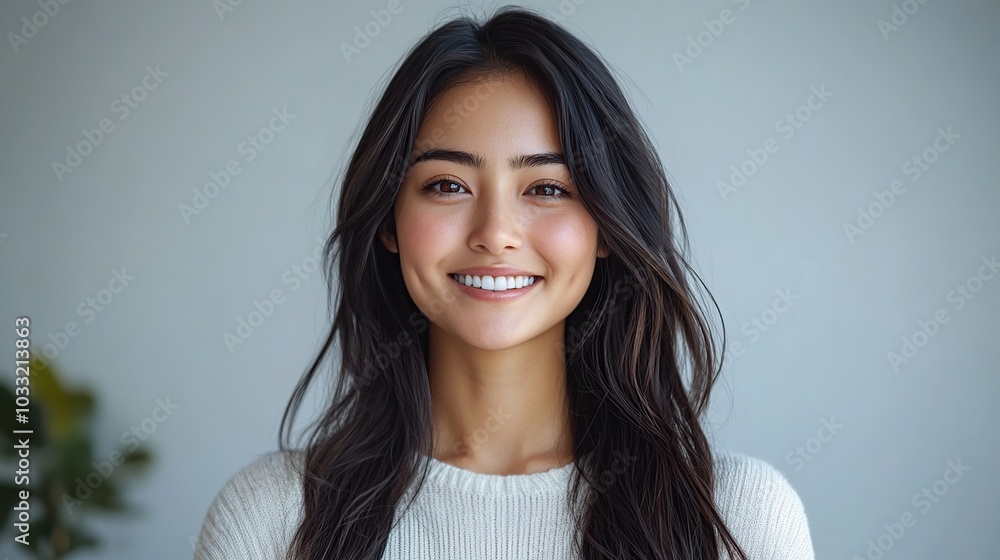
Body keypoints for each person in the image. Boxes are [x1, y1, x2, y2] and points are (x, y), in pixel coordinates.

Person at [195, 5, 815, 559]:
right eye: (447, 185)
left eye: (547, 188)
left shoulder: (736, 521)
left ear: (605, 227)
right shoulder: (273, 520)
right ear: (389, 220)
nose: (496, 233)